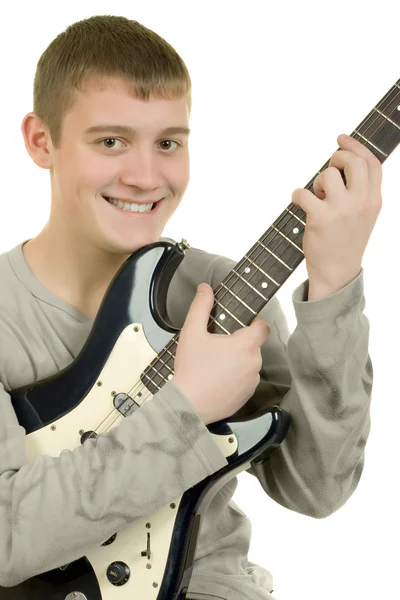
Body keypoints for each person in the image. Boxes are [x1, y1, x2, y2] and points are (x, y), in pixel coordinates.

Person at [0, 14, 382, 600]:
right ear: (41, 140)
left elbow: (315, 487)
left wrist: (334, 284)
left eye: (169, 143)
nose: (146, 176)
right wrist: (188, 408)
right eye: (110, 141)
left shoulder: (223, 289)